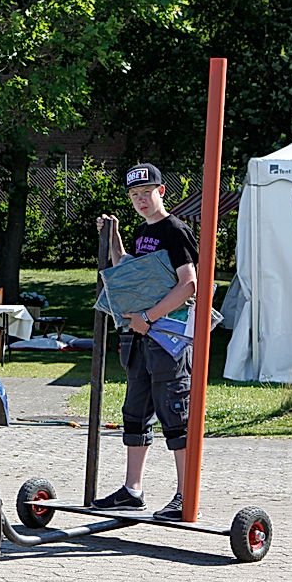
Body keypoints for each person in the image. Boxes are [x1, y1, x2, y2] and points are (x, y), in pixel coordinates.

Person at [92, 163, 198, 521]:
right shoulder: (140, 232)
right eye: (134, 195)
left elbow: (189, 285)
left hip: (167, 339)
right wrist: (114, 236)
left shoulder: (175, 231)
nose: (140, 200)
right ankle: (132, 491)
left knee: (175, 416)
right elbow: (127, 269)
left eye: (146, 193)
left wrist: (149, 317)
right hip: (139, 339)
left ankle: (186, 495)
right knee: (134, 415)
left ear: (161, 192)